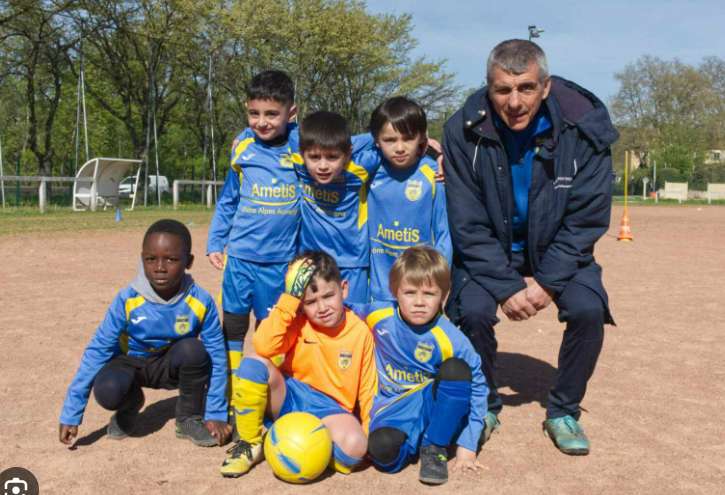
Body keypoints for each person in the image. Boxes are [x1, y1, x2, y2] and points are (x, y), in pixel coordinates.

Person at [442, 39, 618, 455]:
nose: (515, 101)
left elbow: (587, 219)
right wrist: (506, 287)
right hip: (491, 248)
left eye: (526, 88)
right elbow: (466, 222)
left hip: (557, 246)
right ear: (489, 88)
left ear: (545, 86)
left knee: (589, 308)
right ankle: (482, 406)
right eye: (503, 89)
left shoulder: (584, 127)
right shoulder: (462, 130)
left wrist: (547, 284)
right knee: (473, 311)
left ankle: (563, 411)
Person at [59, 220, 231, 448]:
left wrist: (216, 412)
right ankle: (129, 407)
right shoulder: (127, 300)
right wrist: (72, 413)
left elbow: (217, 356)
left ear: (188, 262)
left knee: (195, 350)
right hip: (130, 365)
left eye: (171, 259)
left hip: (171, 367)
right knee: (108, 389)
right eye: (151, 259)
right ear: (142, 259)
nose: (160, 267)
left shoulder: (200, 301)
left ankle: (188, 418)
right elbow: (97, 351)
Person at [220, 251, 376, 478]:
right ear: (300, 304)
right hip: (290, 396)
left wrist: (368, 432)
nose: (322, 307)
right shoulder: (297, 322)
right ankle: (251, 444)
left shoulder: (360, 332)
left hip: (331, 410)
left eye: (328, 296)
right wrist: (289, 301)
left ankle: (290, 442)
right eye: (310, 302)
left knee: (356, 447)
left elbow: (368, 390)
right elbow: (264, 346)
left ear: (343, 289)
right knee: (253, 364)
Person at [206, 70, 301, 426]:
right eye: (254, 113)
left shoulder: (302, 147)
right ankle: (232, 390)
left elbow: (344, 139)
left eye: (271, 114)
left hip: (279, 264)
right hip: (240, 259)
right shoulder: (243, 148)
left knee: (269, 331)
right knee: (233, 325)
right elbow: (228, 200)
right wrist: (216, 239)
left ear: (291, 114)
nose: (261, 122)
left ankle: (267, 390)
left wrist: (424, 143)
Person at [348, 246, 488, 485]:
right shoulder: (379, 315)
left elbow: (477, 389)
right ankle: (416, 439)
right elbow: (345, 310)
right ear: (394, 292)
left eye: (429, 293)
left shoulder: (452, 339)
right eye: (410, 292)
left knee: (457, 370)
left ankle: (435, 446)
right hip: (392, 406)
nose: (419, 302)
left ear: (443, 294)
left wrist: (468, 444)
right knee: (382, 453)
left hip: (430, 405)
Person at [367, 96, 452, 302]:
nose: (399, 147)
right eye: (389, 140)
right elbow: (333, 142)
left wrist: (437, 279)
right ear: (376, 139)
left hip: (421, 290)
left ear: (422, 138)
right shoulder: (367, 171)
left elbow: (443, 233)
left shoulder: (434, 174)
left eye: (408, 138)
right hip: (378, 290)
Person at [293, 111, 384, 303]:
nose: (323, 166)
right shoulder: (299, 164)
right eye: (315, 157)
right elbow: (271, 130)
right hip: (310, 262)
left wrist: (425, 144)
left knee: (355, 320)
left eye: (333, 157)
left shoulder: (358, 169)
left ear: (348, 154)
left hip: (352, 263)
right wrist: (245, 136)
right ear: (302, 153)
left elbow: (382, 139)